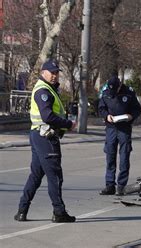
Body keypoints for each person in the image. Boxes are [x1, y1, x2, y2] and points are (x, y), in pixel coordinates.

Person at [14, 59, 77, 223]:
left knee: (36, 175)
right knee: (55, 176)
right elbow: (47, 116)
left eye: (57, 72)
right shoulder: (43, 90)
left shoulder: (48, 88)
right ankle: (59, 212)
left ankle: (22, 210)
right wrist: (68, 124)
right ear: (43, 73)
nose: (55, 75)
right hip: (46, 137)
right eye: (52, 72)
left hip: (39, 135)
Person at [98, 76, 141, 196]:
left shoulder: (129, 92)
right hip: (111, 128)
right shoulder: (106, 92)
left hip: (124, 128)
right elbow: (101, 108)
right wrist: (106, 116)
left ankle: (121, 186)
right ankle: (110, 185)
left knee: (124, 156)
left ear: (119, 86)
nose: (113, 92)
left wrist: (131, 116)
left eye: (115, 90)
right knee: (110, 156)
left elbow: (137, 108)